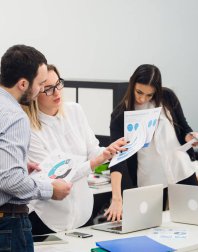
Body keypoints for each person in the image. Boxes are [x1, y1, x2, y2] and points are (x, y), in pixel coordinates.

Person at [0, 45, 72, 252]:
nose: (41, 89)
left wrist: (17, 164)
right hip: (4, 228)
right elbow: (9, 179)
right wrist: (50, 190)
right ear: (23, 83)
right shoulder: (14, 116)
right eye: (41, 83)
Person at [23, 64, 126, 233]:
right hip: (48, 220)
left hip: (82, 214)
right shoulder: (29, 129)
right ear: (34, 93)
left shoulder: (75, 111)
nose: (57, 92)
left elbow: (93, 150)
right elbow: (55, 177)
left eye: (58, 84)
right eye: (48, 89)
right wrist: (95, 161)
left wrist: (109, 150)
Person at [105, 64, 198, 221]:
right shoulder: (120, 115)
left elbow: (184, 128)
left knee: (196, 217)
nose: (142, 98)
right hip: (149, 179)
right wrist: (117, 198)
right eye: (139, 92)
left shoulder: (167, 97)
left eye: (149, 95)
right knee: (150, 226)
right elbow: (117, 159)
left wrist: (191, 137)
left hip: (180, 169)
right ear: (132, 84)